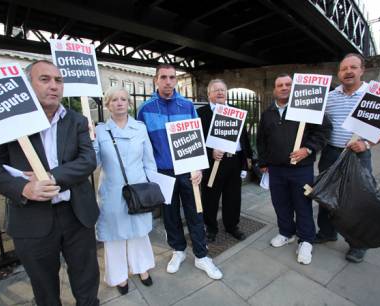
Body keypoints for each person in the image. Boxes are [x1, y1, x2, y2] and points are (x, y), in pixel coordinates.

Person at [0, 60, 100, 306]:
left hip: (77, 215)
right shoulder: (7, 123)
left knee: (87, 278)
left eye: (58, 80)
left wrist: (51, 177)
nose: (54, 86)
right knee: (44, 287)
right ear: (27, 85)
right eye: (44, 79)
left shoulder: (75, 120)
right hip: (31, 219)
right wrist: (24, 188)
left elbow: (88, 160)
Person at [314, 53, 380, 263]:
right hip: (331, 153)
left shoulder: (373, 95)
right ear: (339, 73)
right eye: (344, 68)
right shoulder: (331, 96)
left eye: (353, 67)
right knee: (325, 194)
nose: (348, 72)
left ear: (362, 70)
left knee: (356, 201)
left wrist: (368, 143)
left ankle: (358, 244)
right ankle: (327, 232)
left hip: (358, 154)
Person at [137, 64, 222, 280]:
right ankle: (178, 251)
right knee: (170, 215)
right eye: (163, 77)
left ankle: (202, 256)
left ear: (176, 80)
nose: (168, 81)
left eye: (172, 77)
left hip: (187, 169)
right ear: (156, 79)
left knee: (195, 211)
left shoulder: (186, 105)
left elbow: (196, 138)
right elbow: (141, 143)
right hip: (162, 172)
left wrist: (199, 167)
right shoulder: (145, 109)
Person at [257, 73, 332, 265]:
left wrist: (308, 149)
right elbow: (262, 140)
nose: (283, 88)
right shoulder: (267, 114)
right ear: (274, 89)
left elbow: (324, 131)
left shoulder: (309, 109)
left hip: (301, 169)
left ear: (294, 88)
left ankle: (306, 240)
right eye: (279, 85)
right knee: (280, 203)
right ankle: (286, 232)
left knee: (302, 205)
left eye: (288, 84)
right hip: (276, 169)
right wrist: (263, 162)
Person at [94, 87, 156, 295]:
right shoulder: (100, 131)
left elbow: (149, 160)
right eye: (114, 100)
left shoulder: (140, 128)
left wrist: (151, 185)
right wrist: (88, 140)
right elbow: (92, 162)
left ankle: (142, 268)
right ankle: (119, 276)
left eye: (123, 99)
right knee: (115, 236)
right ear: (107, 104)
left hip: (138, 189)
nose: (119, 103)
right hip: (112, 192)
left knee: (139, 233)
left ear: (129, 103)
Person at [197, 79, 252, 243]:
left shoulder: (236, 112)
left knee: (233, 197)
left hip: (233, 162)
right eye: (216, 90)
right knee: (210, 198)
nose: (220, 92)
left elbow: (244, 139)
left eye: (222, 90)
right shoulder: (201, 113)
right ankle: (211, 229)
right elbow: (197, 141)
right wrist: (210, 152)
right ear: (209, 94)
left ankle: (232, 226)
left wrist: (246, 162)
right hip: (213, 163)